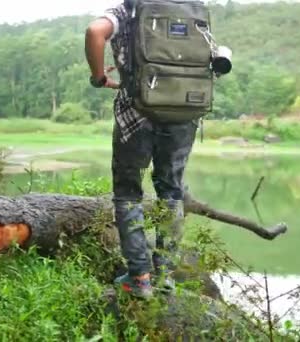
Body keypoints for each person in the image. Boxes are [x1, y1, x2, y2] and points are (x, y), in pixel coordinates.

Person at [85, 2, 198, 299]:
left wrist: (98, 77)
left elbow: (95, 31)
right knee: (171, 191)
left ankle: (139, 277)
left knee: (128, 192)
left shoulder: (127, 11)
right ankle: (165, 277)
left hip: (136, 115)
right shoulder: (189, 10)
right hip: (184, 111)